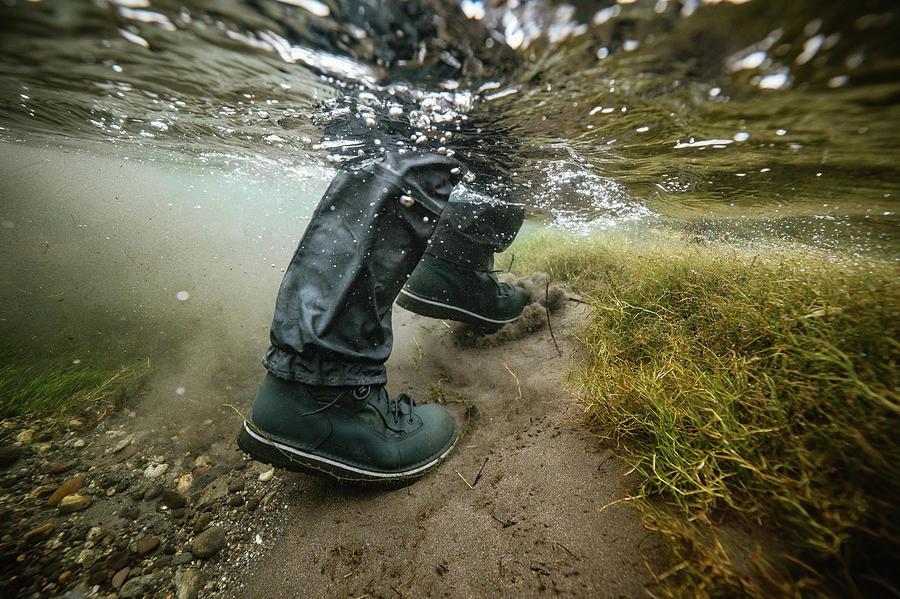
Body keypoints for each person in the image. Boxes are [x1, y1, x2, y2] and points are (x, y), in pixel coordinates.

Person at [237, 151, 529, 483]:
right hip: (320, 387)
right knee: (418, 141)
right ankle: (323, 386)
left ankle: (455, 265)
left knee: (472, 140)